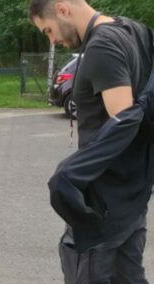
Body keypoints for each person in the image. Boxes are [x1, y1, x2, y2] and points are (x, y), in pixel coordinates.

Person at [29, 0, 153, 283]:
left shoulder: (101, 46)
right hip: (132, 197)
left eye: (48, 30)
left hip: (103, 206)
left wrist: (70, 174)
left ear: (63, 9)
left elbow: (124, 123)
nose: (53, 40)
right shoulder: (133, 30)